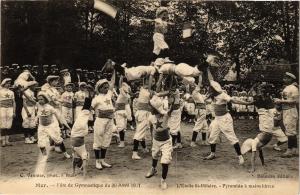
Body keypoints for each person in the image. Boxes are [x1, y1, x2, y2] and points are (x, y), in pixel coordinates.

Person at [203, 68, 245, 165]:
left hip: (225, 119)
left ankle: (240, 156)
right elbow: (211, 79)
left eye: (210, 88)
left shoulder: (223, 95)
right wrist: (207, 67)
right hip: (217, 119)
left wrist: (246, 103)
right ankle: (212, 154)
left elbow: (234, 100)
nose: (209, 89)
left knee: (231, 137)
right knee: (212, 136)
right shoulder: (213, 93)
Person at [145, 90, 172, 190]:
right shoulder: (151, 116)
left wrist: (170, 94)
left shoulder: (165, 114)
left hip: (166, 142)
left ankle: (163, 180)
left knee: (165, 161)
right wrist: (152, 138)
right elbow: (152, 127)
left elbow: (171, 108)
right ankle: (153, 169)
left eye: (150, 107)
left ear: (155, 108)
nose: (149, 108)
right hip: (156, 140)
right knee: (154, 155)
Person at [91, 70, 116, 170]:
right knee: (98, 139)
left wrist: (114, 70)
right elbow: (90, 108)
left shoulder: (109, 94)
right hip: (100, 121)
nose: (107, 89)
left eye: (107, 87)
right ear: (99, 88)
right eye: (104, 88)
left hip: (110, 120)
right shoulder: (96, 98)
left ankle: (102, 160)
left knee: (107, 139)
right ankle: (97, 161)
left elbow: (113, 82)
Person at [36, 91, 71, 159]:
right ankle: (44, 156)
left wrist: (60, 123)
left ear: (45, 99)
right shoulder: (38, 105)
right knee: (41, 141)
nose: (40, 101)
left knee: (58, 139)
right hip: (42, 126)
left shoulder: (50, 107)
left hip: (51, 126)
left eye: (41, 99)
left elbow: (57, 115)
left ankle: (65, 153)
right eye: (39, 99)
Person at [274, 72, 299, 157]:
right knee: (290, 131)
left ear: (290, 79)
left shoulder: (294, 88)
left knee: (290, 131)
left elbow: (296, 101)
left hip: (291, 111)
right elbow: (285, 99)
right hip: (285, 111)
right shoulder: (286, 88)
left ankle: (289, 150)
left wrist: (281, 101)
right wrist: (279, 102)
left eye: (286, 78)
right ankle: (294, 150)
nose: (284, 79)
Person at [71, 97, 92, 176]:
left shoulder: (76, 155)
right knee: (82, 117)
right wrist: (83, 177)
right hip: (78, 133)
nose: (75, 161)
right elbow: (84, 168)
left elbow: (73, 164)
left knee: (82, 117)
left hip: (75, 134)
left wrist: (73, 173)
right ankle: (88, 101)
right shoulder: (83, 155)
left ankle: (88, 101)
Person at [190, 75, 209, 147]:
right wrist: (200, 74)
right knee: (198, 125)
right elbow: (200, 82)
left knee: (204, 126)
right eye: (194, 84)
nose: (196, 85)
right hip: (201, 110)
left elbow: (204, 98)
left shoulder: (197, 93)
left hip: (201, 109)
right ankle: (192, 142)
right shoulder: (195, 92)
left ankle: (204, 141)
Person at [115, 76, 132, 148]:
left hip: (121, 111)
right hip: (123, 111)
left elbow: (119, 83)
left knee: (121, 127)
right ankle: (120, 139)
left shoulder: (123, 94)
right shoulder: (126, 95)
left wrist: (121, 76)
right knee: (122, 127)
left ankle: (122, 142)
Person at [0, 78, 15, 147]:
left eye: (9, 83)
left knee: (9, 125)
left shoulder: (11, 92)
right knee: (3, 124)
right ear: (4, 84)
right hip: (2, 108)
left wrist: (14, 111)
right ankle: (3, 141)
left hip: (10, 108)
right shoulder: (0, 91)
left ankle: (7, 140)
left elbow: (13, 102)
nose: (8, 84)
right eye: (7, 83)